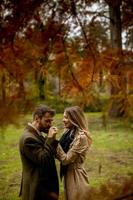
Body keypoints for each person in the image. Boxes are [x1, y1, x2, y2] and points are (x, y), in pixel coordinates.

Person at [19, 105, 59, 200]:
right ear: (37, 118)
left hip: (42, 188)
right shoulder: (28, 138)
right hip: (37, 190)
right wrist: (50, 139)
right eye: (47, 121)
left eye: (51, 121)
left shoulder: (36, 133)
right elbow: (43, 159)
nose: (50, 124)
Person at [56, 106, 92, 200]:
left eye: (66, 117)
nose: (63, 120)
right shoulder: (68, 133)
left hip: (76, 177)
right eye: (63, 117)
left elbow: (65, 160)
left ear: (74, 119)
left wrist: (54, 142)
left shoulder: (81, 138)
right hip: (68, 174)